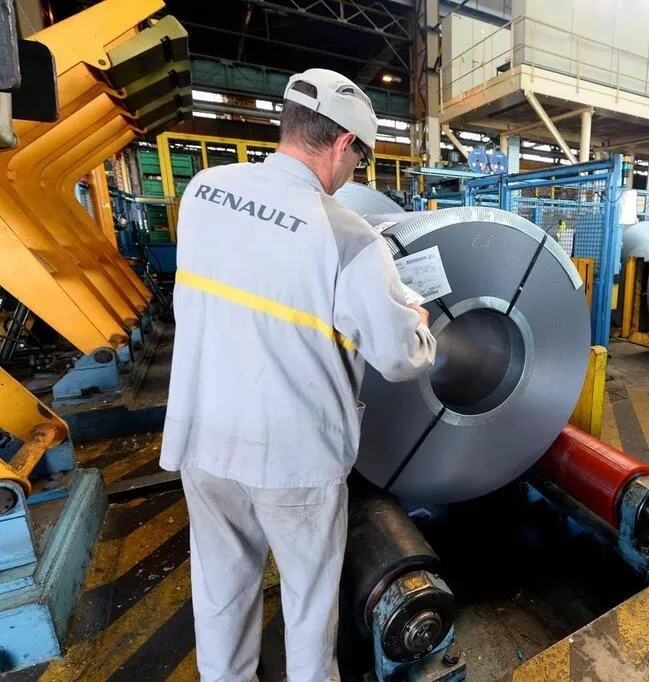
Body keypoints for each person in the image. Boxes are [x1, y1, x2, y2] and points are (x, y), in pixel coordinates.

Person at [159, 68, 436, 681]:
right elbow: (399, 357)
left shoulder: (204, 192)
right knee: (309, 605)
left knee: (221, 592)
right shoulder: (346, 234)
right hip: (294, 459)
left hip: (205, 439)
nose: (353, 175)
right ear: (344, 143)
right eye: (359, 160)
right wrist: (416, 321)